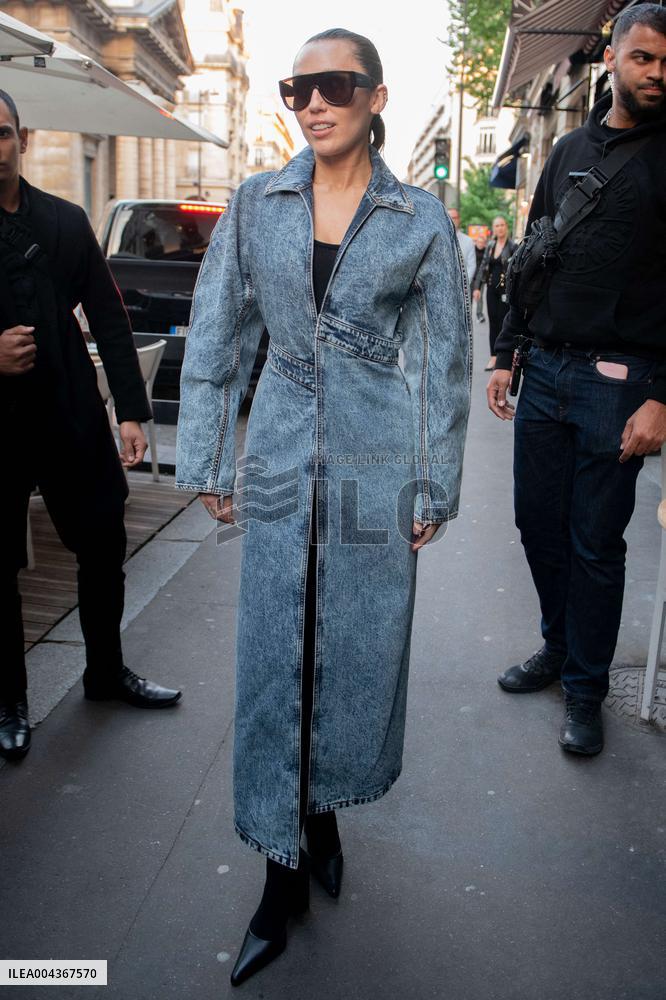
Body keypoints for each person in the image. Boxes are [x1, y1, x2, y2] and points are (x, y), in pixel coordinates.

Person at [175, 28, 471, 987]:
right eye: (296, 87)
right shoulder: (257, 202)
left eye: (335, 85)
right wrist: (209, 457)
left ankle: (325, 810)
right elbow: (217, 334)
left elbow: (442, 361)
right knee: (275, 648)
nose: (313, 102)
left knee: (353, 644)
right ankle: (279, 875)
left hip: (376, 463)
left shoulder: (419, 219)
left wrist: (434, 481)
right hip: (278, 452)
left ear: (375, 97)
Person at [487, 3, 666, 756]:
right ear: (612, 58)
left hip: (621, 382)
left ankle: (586, 689)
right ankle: (557, 647)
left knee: (596, 543)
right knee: (537, 523)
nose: (657, 73)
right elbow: (531, 259)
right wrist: (505, 354)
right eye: (644, 57)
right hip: (547, 371)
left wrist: (661, 396)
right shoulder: (567, 150)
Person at [0, 90, 182, 762]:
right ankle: (9, 699)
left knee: (104, 539)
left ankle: (105, 672)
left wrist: (131, 410)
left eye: (2, 133)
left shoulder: (64, 220)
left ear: (23, 138)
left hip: (70, 410)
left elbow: (107, 314)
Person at [472, 216, 516, 370]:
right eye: (497, 225)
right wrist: (477, 287)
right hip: (491, 289)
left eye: (502, 225)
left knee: (504, 322)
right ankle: (493, 356)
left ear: (506, 227)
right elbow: (483, 266)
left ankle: (504, 358)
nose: (500, 228)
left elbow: (516, 270)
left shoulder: (513, 246)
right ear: (493, 229)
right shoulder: (490, 246)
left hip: (506, 290)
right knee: (493, 322)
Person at [448, 206, 476, 289]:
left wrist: (464, 285)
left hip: (463, 287)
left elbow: (471, 266)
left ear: (459, 220)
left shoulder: (468, 241)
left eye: (454, 218)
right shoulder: (440, 240)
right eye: (449, 217)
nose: (451, 220)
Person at [472, 232, 488, 322]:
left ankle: (479, 314)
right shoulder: (472, 250)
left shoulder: (486, 251)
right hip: (472, 276)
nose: (480, 244)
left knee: (479, 297)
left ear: (484, 243)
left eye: (482, 242)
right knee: (469, 296)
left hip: (481, 278)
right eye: (479, 242)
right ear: (476, 242)